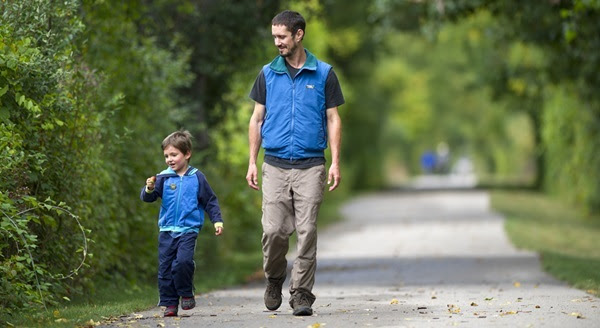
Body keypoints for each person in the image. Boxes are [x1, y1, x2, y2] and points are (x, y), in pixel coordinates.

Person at [246, 10, 344, 316]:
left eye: (282, 36)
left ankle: (302, 293)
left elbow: (333, 118)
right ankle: (274, 279)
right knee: (273, 231)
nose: (277, 42)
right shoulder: (267, 73)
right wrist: (251, 161)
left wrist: (335, 161)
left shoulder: (324, 73)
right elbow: (257, 118)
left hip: (311, 164)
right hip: (274, 164)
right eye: (274, 36)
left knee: (307, 231)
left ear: (298, 35)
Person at [141, 130, 224, 317]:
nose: (169, 159)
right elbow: (149, 198)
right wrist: (149, 188)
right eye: (166, 156)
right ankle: (170, 303)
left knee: (183, 262)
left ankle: (186, 292)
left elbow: (210, 201)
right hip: (167, 230)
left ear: (187, 154)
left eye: (174, 155)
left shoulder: (197, 177)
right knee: (165, 268)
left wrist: (217, 220)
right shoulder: (162, 177)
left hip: (188, 229)